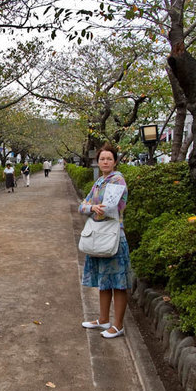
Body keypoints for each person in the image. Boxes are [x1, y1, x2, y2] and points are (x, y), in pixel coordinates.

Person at [78, 144, 131, 339]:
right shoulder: (99, 181)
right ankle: (103, 319)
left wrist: (92, 207)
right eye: (102, 159)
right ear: (97, 161)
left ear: (115, 161)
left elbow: (109, 208)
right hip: (99, 236)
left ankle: (118, 325)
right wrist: (91, 208)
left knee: (117, 282)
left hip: (113, 236)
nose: (105, 162)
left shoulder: (117, 180)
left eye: (109, 159)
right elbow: (83, 205)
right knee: (104, 281)